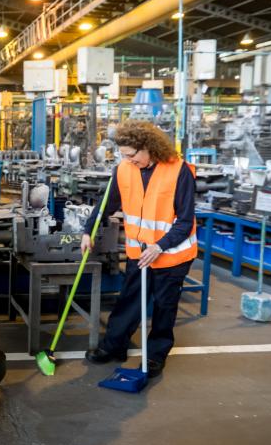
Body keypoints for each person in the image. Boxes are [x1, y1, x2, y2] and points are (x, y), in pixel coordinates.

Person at [82, 119, 197, 379]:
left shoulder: (179, 171)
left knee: (164, 306)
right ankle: (114, 346)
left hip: (172, 256)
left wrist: (160, 246)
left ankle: (156, 355)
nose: (128, 160)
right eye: (123, 155)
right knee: (130, 301)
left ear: (149, 148)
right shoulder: (124, 169)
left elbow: (186, 221)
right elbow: (105, 204)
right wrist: (89, 230)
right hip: (140, 253)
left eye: (132, 155)